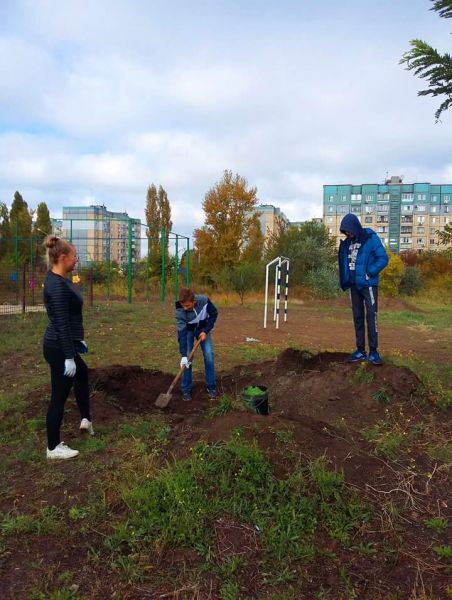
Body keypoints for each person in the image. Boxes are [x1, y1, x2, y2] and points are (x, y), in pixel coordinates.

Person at [43, 236, 94, 460]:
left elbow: (69, 317)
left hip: (64, 343)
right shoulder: (56, 285)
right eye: (74, 255)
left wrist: (77, 341)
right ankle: (53, 447)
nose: (77, 259)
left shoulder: (62, 280)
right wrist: (68, 356)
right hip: (58, 347)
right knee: (59, 395)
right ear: (63, 258)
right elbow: (61, 322)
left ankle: (86, 419)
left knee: (82, 375)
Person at [338, 213, 389, 365]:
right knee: (358, 317)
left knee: (371, 316)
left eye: (349, 230)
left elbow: (383, 258)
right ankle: (360, 350)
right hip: (354, 286)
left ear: (355, 226)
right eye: (345, 231)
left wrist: (369, 273)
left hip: (368, 285)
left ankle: (373, 352)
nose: (348, 233)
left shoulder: (370, 238)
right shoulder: (347, 242)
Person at [175, 288, 218, 401]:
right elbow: (182, 333)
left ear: (194, 301)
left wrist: (206, 330)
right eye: (183, 305)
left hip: (203, 328)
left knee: (209, 355)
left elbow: (214, 314)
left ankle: (211, 387)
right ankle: (186, 390)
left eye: (188, 305)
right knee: (187, 359)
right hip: (188, 331)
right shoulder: (180, 310)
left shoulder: (204, 301)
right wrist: (184, 354)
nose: (185, 308)